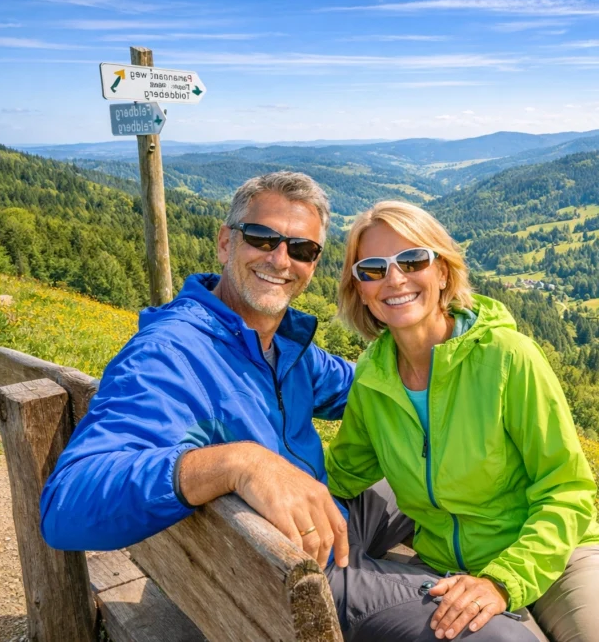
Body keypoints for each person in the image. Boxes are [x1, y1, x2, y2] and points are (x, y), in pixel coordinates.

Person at [39, 173, 531, 641]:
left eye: (301, 249)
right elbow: (67, 504)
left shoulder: (284, 347)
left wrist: (472, 378)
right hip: (282, 572)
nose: (281, 260)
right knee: (500, 634)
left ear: (313, 263)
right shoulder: (171, 355)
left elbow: (368, 387)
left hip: (319, 521)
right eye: (262, 238)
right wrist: (240, 463)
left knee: (429, 470)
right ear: (226, 242)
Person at [327, 201, 599, 642]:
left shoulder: (508, 357)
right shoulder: (373, 378)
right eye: (373, 269)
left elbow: (567, 489)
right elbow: (343, 473)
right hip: (446, 567)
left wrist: (502, 580)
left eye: (413, 260)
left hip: (558, 557)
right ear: (360, 289)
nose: (395, 279)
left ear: (443, 272)